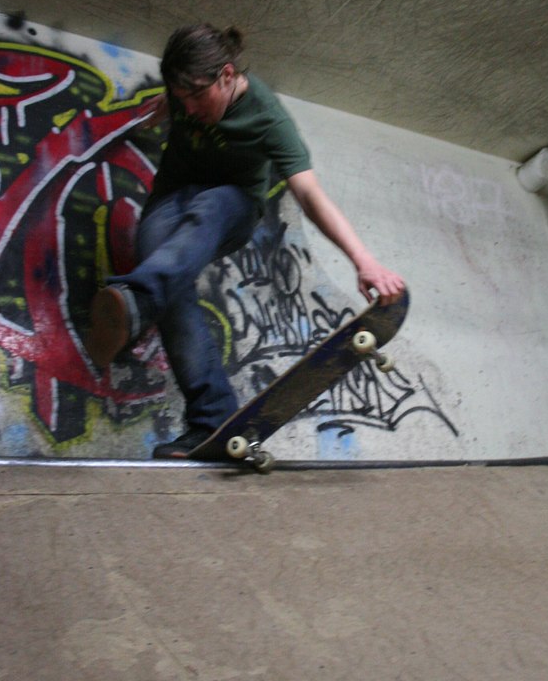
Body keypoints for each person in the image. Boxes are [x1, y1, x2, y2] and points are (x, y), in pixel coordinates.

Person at [85, 23, 406, 458]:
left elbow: (309, 194)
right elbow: (179, 97)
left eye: (197, 97)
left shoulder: (268, 117)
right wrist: (164, 107)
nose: (190, 108)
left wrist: (363, 260)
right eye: (181, 99)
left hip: (232, 207)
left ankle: (138, 299)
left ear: (227, 75)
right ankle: (210, 423)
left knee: (211, 207)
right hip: (170, 200)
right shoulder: (187, 89)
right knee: (169, 289)